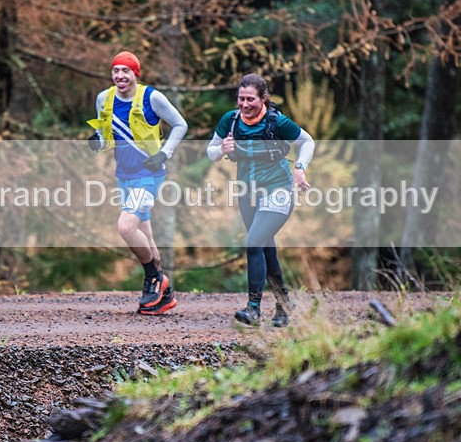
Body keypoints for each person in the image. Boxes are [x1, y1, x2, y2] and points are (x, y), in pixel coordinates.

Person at [207, 73, 314, 327]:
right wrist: (222, 149)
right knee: (265, 247)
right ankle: (284, 303)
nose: (244, 104)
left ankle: (253, 308)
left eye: (250, 99)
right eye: (241, 98)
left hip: (278, 189)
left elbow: (307, 141)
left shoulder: (277, 122)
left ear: (263, 98)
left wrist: (300, 167)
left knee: (254, 242)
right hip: (248, 192)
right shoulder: (230, 121)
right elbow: (210, 151)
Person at [87, 51, 187, 315]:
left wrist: (164, 153)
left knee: (126, 225)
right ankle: (163, 296)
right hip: (124, 175)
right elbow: (106, 134)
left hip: (149, 174)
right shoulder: (103, 99)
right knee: (146, 233)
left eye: (126, 71)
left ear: (135, 74)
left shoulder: (151, 97)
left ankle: (153, 276)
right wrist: (97, 142)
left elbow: (180, 125)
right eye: (116, 71)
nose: (120, 76)